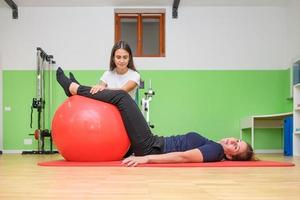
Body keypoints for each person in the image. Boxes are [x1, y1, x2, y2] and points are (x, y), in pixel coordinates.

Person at [56, 67, 255, 167]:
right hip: (152, 143)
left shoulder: (215, 151)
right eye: (237, 139)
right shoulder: (215, 146)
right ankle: (78, 89)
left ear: (230, 155)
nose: (232, 140)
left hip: (151, 146)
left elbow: (183, 157)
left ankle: (73, 88)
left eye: (235, 146)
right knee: (120, 104)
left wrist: (147, 158)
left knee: (122, 97)